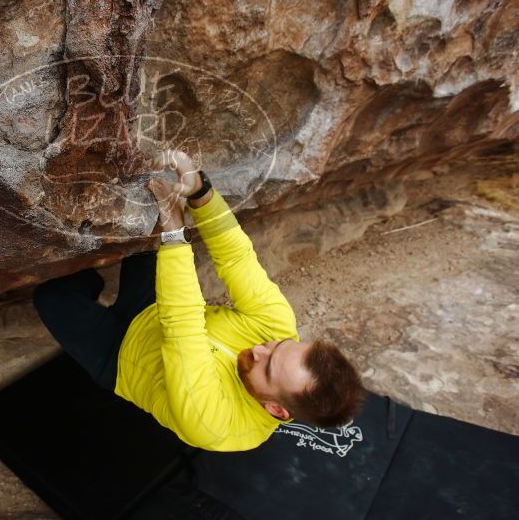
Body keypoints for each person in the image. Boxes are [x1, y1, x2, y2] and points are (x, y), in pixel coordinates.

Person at [33, 150, 365, 452]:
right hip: (157, 305)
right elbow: (237, 259)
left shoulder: (216, 426)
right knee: (144, 245)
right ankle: (96, 278)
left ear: (276, 409)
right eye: (280, 345)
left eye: (268, 365)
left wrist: (175, 233)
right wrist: (200, 192)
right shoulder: (278, 327)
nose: (263, 348)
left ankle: (88, 285)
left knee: (50, 297)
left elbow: (183, 330)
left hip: (120, 357)